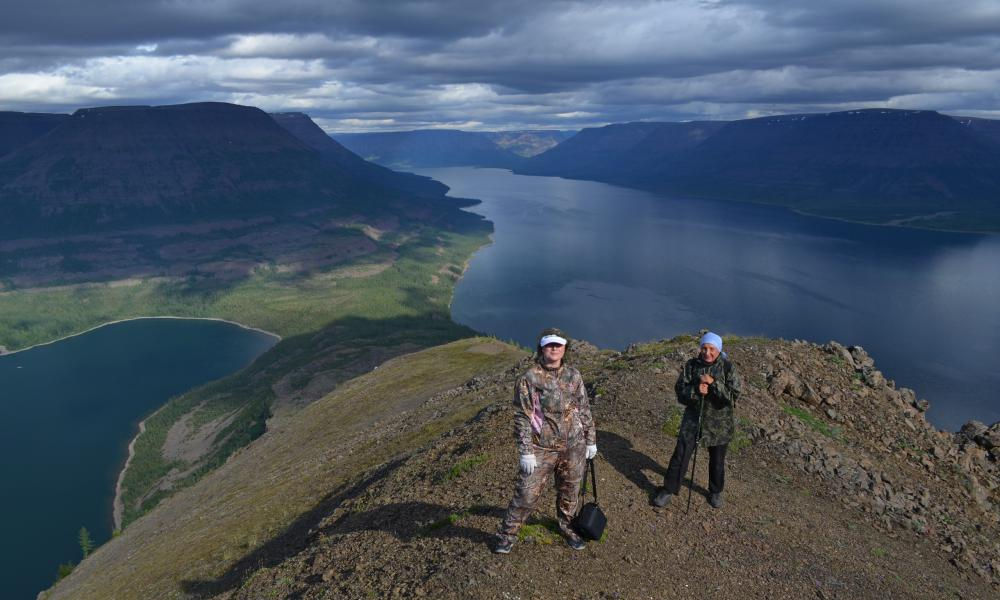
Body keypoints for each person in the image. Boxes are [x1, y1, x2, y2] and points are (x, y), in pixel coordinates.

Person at [494, 328, 598, 554]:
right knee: (527, 493)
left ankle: (568, 526)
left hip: (574, 446)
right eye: (549, 344)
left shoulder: (574, 375)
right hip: (541, 447)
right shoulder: (529, 378)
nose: (554, 348)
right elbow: (522, 415)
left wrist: (590, 440)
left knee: (570, 491)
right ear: (541, 348)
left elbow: (584, 408)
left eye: (558, 345)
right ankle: (507, 534)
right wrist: (526, 451)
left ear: (565, 349)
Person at [653, 332, 740, 509]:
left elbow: (733, 397)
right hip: (693, 420)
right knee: (680, 455)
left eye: (711, 349)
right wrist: (695, 390)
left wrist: (713, 384)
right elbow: (680, 391)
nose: (707, 352)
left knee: (717, 460)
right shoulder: (691, 366)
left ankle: (715, 491)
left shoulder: (727, 368)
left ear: (718, 350)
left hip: (720, 424)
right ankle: (668, 489)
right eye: (704, 348)